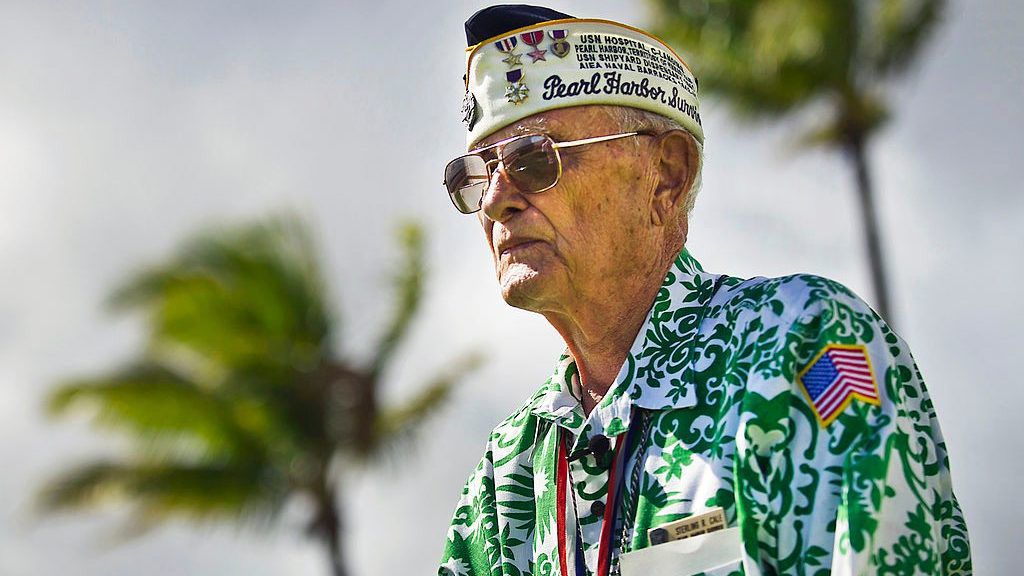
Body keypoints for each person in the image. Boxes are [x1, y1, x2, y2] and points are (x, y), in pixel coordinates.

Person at [438, 5, 971, 576]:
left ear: (666, 173)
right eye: (474, 174)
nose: (496, 200)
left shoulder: (805, 345)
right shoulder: (508, 471)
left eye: (532, 159)